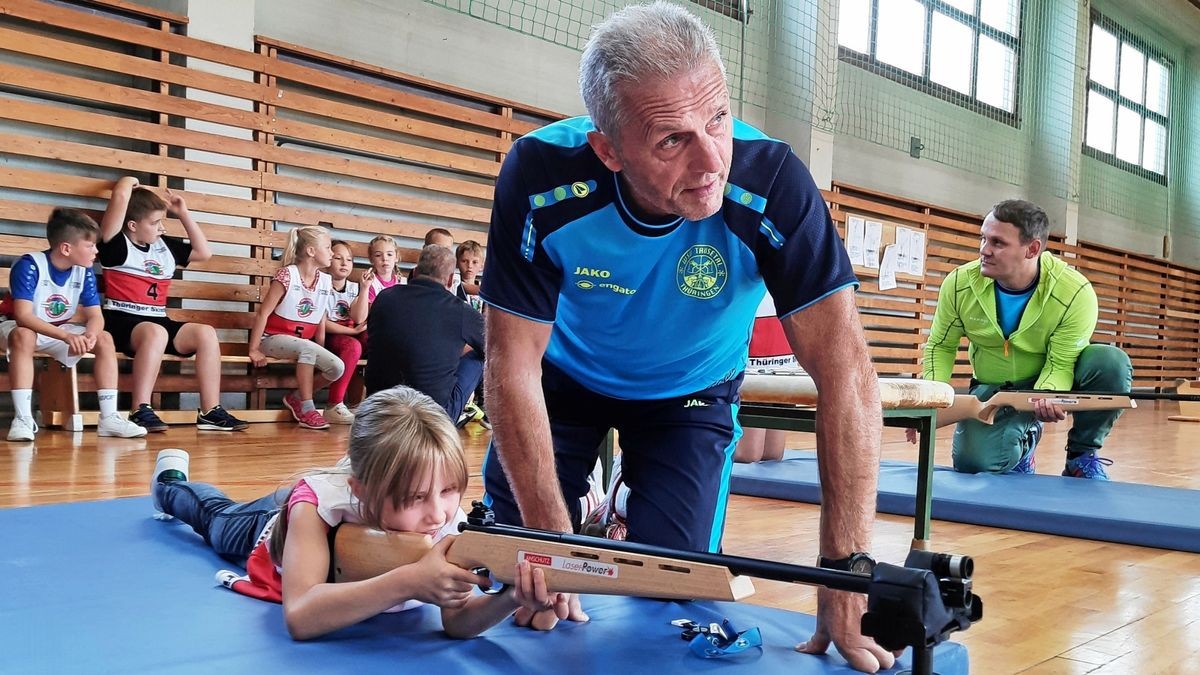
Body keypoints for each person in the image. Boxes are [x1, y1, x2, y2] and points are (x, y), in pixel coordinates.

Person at [479, 3, 889, 669]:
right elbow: (510, 365)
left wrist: (845, 572)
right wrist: (549, 540)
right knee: (521, 597)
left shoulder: (774, 183)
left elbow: (847, 374)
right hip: (561, 383)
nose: (709, 161)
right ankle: (580, 511)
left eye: (718, 119)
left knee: (667, 601)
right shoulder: (538, 175)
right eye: (672, 140)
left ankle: (616, 507)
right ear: (607, 148)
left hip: (689, 395)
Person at [149, 386, 554, 640]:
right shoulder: (320, 503)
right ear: (363, 490)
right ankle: (169, 481)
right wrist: (411, 581)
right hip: (271, 528)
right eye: (414, 498)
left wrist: (511, 597)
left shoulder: (442, 509)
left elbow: (458, 623)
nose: (438, 514)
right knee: (216, 521)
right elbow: (301, 617)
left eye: (449, 490)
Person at [920, 199, 1132, 480]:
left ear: (1032, 249)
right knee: (973, 462)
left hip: (1054, 377)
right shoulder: (959, 284)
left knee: (1111, 363)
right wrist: (928, 403)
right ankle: (1024, 446)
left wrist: (1045, 396)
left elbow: (1062, 363)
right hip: (992, 387)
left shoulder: (1074, 291)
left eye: (997, 242)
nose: (984, 250)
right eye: (983, 239)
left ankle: (1081, 456)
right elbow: (940, 345)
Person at [98, 177, 247, 432]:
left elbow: (203, 253)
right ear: (132, 225)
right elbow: (121, 197)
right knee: (156, 333)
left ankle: (210, 411)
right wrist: (127, 181)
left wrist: (184, 213)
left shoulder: (162, 246)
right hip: (120, 321)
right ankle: (140, 409)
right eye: (155, 223)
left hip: (157, 319)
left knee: (205, 333)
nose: (162, 228)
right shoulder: (116, 245)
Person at [0, 208, 146, 441]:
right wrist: (67, 337)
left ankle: (108, 418)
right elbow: (23, 317)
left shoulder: (84, 271)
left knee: (104, 338)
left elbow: (96, 316)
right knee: (24, 335)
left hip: (56, 330)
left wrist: (90, 335)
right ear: (66, 248)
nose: (96, 251)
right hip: (14, 327)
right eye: (90, 246)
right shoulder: (29, 265)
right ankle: (23, 418)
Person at [365, 245, 484, 424]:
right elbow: (494, 348)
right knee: (480, 356)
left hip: (378, 407)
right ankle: (471, 409)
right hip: (431, 418)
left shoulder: (384, 297)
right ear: (451, 279)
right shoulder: (460, 311)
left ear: (415, 271)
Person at [247, 226, 344, 430]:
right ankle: (308, 409)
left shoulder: (325, 281)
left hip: (302, 343)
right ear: (311, 251)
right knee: (306, 348)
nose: (332, 253)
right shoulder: (286, 275)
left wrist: (322, 348)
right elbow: (263, 313)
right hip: (272, 339)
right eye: (328, 247)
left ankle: (297, 398)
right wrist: (254, 349)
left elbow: (320, 320)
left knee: (337, 367)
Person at [322, 240, 366, 425]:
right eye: (338, 258)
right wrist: (352, 331)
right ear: (328, 261)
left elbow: (359, 318)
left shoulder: (355, 287)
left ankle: (367, 402)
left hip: (350, 333)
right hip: (328, 337)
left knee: (377, 340)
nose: (344, 263)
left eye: (349, 259)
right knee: (353, 345)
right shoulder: (321, 285)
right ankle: (334, 404)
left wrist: (364, 289)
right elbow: (321, 323)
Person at [350, 235, 404, 327]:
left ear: (396, 257)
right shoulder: (370, 283)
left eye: (389, 254)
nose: (384, 258)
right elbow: (360, 318)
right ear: (371, 259)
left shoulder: (403, 283)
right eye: (378, 255)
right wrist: (365, 288)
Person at [455, 240, 485, 311]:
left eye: (475, 262)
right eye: (464, 261)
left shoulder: (482, 286)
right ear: (456, 263)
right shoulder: (453, 283)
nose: (469, 266)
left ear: (482, 265)